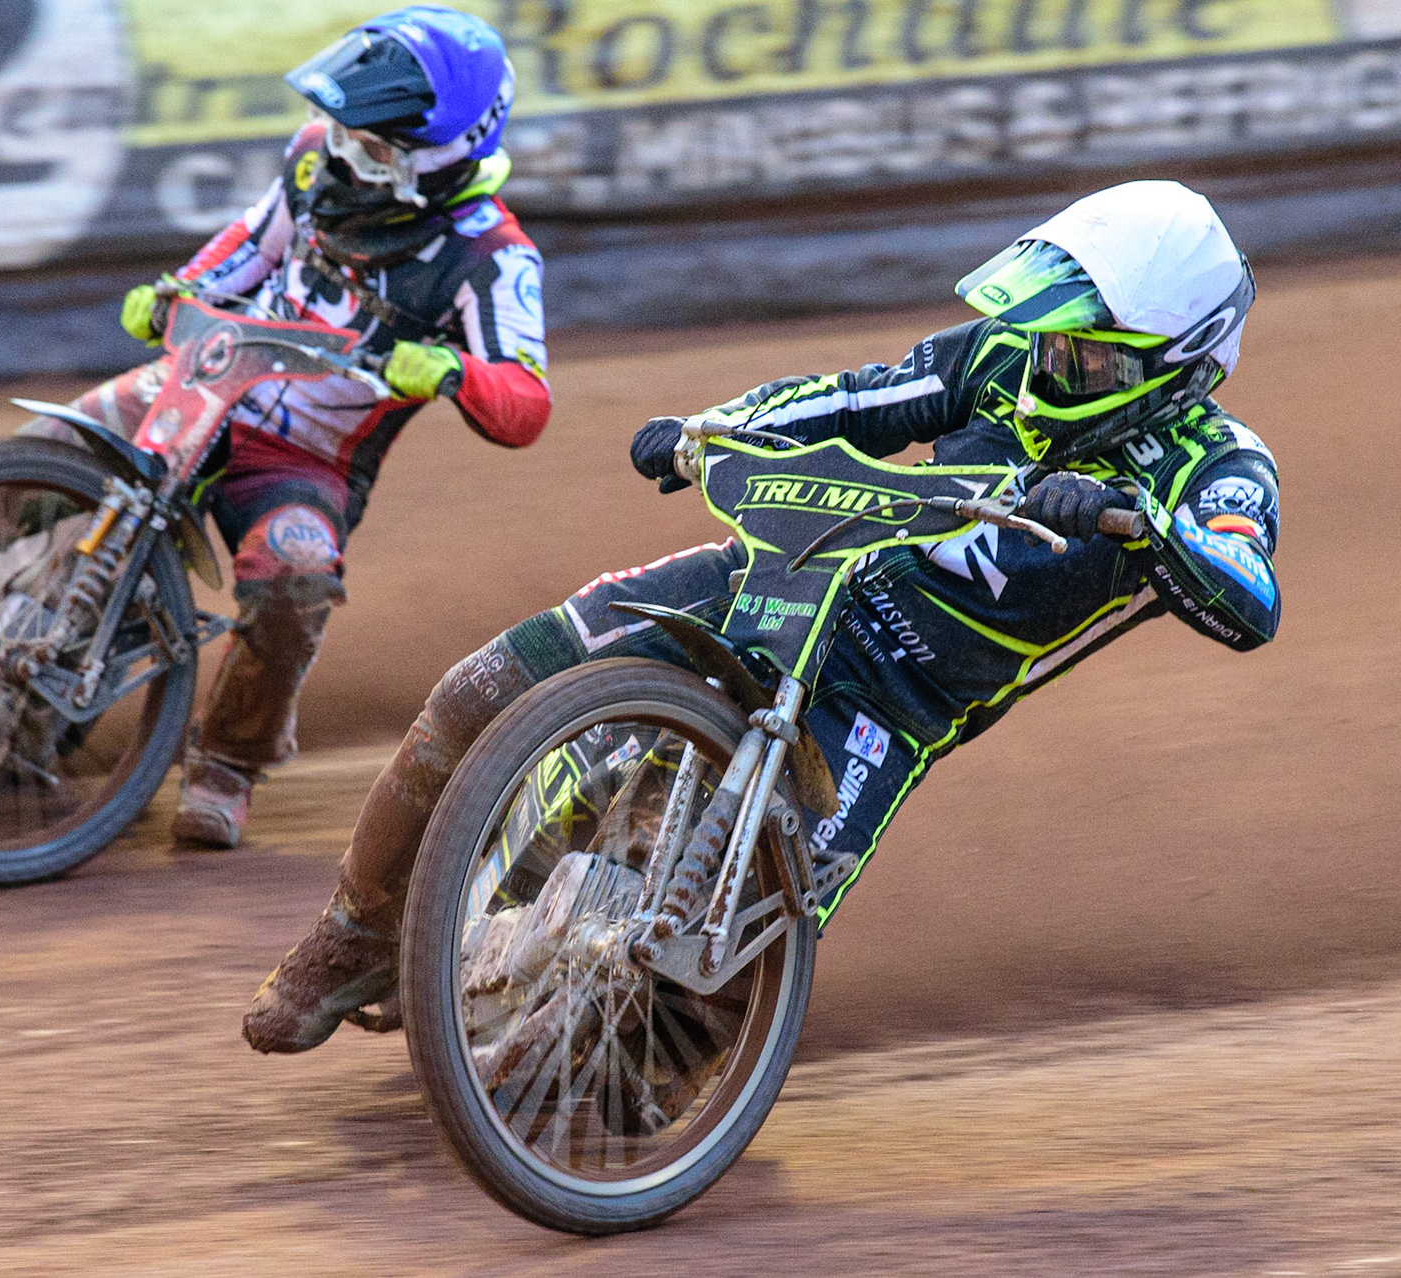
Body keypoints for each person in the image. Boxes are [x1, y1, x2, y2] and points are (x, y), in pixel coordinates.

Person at [242, 179, 1281, 1053]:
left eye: (1087, 355)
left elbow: (1249, 597)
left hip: (894, 700)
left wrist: (1145, 525)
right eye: (1053, 342)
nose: (1055, 364)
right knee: (482, 687)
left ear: (1174, 360)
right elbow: (862, 398)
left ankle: (623, 1111)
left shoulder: (1219, 467)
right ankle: (355, 932)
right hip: (790, 570)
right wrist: (712, 428)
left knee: (716, 988)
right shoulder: (1004, 359)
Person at [0, 6, 551, 848]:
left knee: (296, 572)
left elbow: (526, 402)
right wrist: (175, 292)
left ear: (441, 157)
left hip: (300, 457)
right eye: (340, 129)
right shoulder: (315, 164)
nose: (344, 151)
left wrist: (455, 371)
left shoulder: (493, 259)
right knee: (19, 474)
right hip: (196, 384)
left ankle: (229, 763)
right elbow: (246, 248)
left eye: (373, 147)